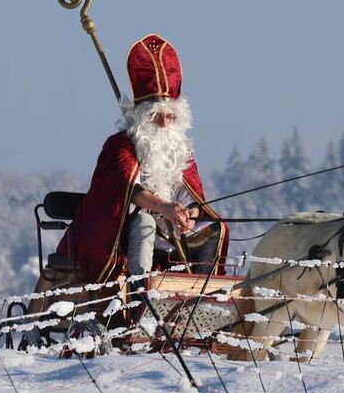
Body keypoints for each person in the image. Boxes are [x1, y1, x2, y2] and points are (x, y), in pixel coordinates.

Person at [57, 34, 228, 285]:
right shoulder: (121, 145)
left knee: (216, 228)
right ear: (142, 115)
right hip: (122, 229)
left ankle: (202, 290)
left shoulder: (179, 147)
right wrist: (163, 208)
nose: (164, 122)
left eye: (171, 116)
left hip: (171, 227)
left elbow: (189, 194)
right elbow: (128, 191)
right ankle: (141, 292)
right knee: (145, 223)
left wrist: (188, 214)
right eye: (157, 115)